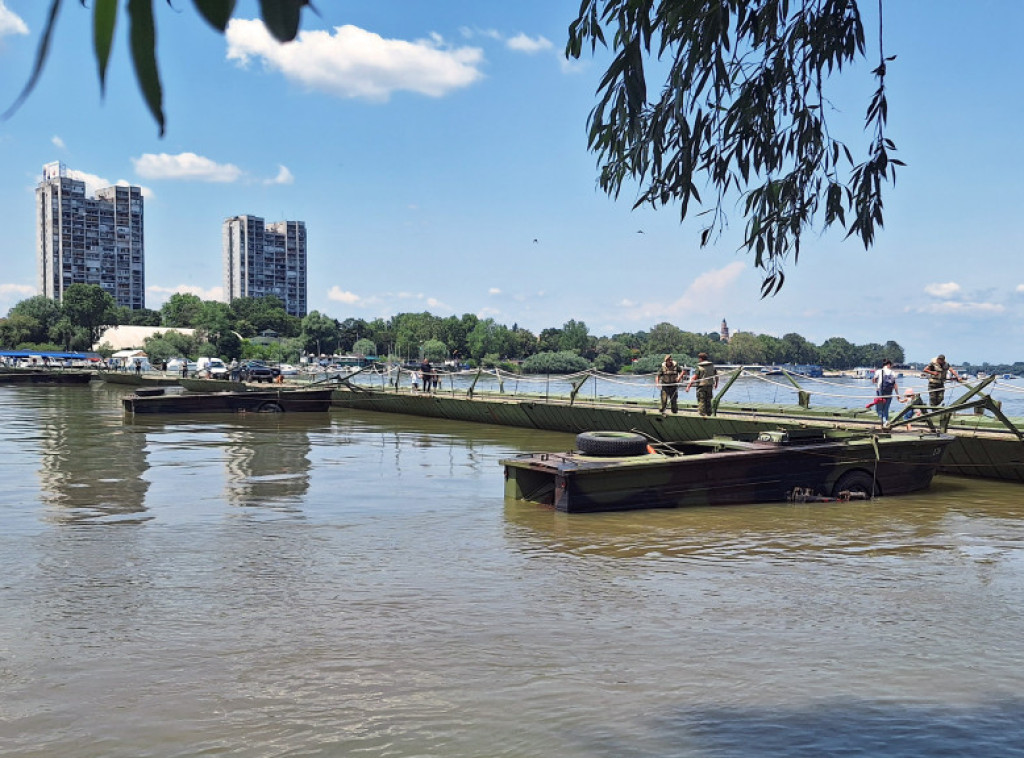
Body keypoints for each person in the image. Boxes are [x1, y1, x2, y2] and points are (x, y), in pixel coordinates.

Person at [686, 352, 719, 416]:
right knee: (708, 400)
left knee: (701, 401)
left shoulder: (699, 367)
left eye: (699, 358)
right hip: (709, 386)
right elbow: (716, 376)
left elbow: (694, 378)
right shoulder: (712, 366)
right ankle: (709, 414)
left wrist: (688, 386)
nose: (698, 360)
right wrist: (716, 384)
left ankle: (702, 415)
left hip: (701, 387)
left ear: (701, 359)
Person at [873, 359, 899, 426]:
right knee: (886, 408)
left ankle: (884, 421)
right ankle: (886, 422)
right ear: (888, 364)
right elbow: (895, 384)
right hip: (889, 392)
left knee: (878, 408)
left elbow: (874, 380)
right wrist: (897, 394)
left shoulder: (879, 371)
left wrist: (877, 382)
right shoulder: (892, 372)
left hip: (880, 391)